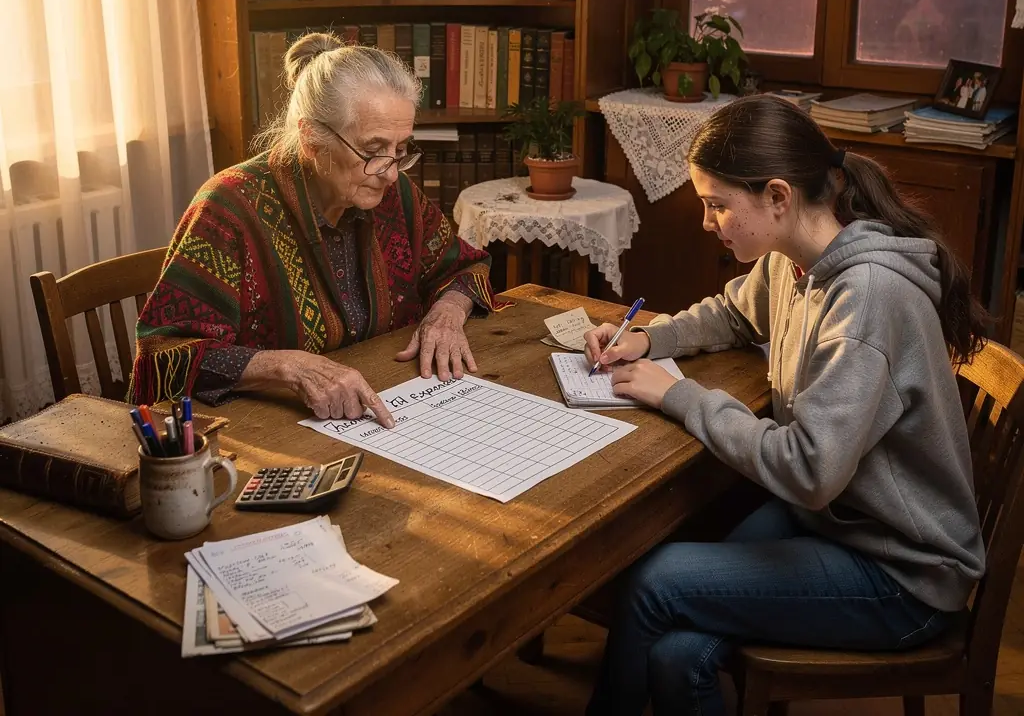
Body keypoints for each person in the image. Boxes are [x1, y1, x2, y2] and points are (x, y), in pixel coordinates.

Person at [583, 94, 985, 716]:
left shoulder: (867, 298)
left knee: (653, 580)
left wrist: (680, 395)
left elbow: (809, 471)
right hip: (840, 524)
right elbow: (733, 311)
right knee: (676, 655)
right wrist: (647, 337)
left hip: (904, 575)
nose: (708, 222)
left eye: (717, 205)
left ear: (777, 196)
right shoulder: (795, 260)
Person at [131, 37, 502, 421]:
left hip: (386, 403)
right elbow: (166, 352)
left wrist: (447, 312)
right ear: (311, 139)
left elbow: (462, 266)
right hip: (263, 432)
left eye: (401, 149)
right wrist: (287, 368)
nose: (391, 172)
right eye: (373, 150)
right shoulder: (230, 209)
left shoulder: (392, 193)